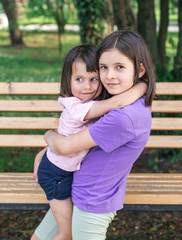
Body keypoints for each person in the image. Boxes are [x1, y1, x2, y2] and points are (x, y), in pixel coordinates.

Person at [31, 30, 156, 240]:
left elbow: (64, 146)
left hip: (92, 199)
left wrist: (48, 135)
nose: (109, 76)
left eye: (120, 67)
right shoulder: (125, 101)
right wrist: (44, 152)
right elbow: (79, 136)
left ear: (140, 70)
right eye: (104, 68)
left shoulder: (123, 116)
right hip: (73, 186)